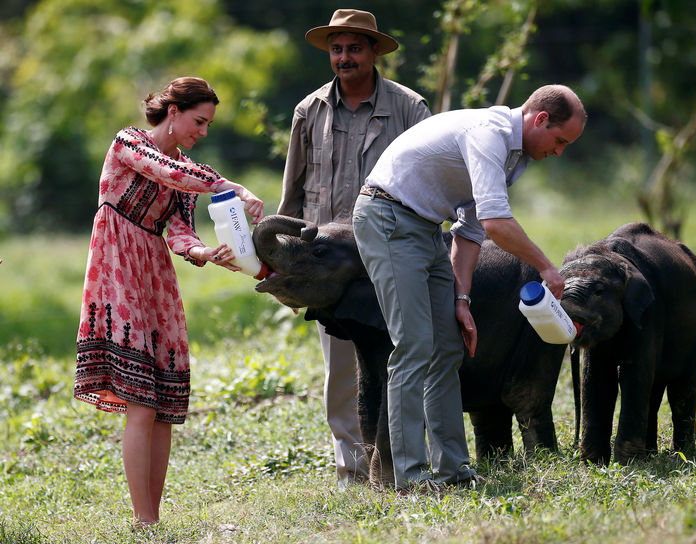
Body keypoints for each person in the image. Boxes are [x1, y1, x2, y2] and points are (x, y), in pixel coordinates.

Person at [352, 84, 587, 492]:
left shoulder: (515, 157)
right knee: (413, 346)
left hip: (425, 228)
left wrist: (461, 299)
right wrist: (546, 268)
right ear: (541, 119)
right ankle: (408, 478)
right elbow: (497, 222)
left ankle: (454, 470)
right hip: (386, 217)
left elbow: (473, 229)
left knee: (447, 346)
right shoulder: (489, 134)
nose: (560, 151)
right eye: (560, 140)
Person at [73, 77, 264, 527]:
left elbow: (179, 232)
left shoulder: (188, 171)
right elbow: (165, 171)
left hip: (154, 271)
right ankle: (144, 521)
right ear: (173, 112)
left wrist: (205, 254)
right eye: (199, 121)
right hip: (116, 263)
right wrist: (230, 185)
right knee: (140, 398)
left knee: (161, 401)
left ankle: (151, 517)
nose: (203, 131)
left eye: (208, 124)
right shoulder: (129, 143)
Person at [277, 8, 431, 487]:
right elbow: (292, 196)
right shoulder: (309, 111)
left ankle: (403, 460)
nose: (344, 57)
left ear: (374, 52)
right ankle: (353, 468)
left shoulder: (410, 109)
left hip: (395, 252)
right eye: (336, 49)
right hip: (329, 264)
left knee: (406, 355)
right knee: (341, 368)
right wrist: (285, 259)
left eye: (354, 48)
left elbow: (433, 184)